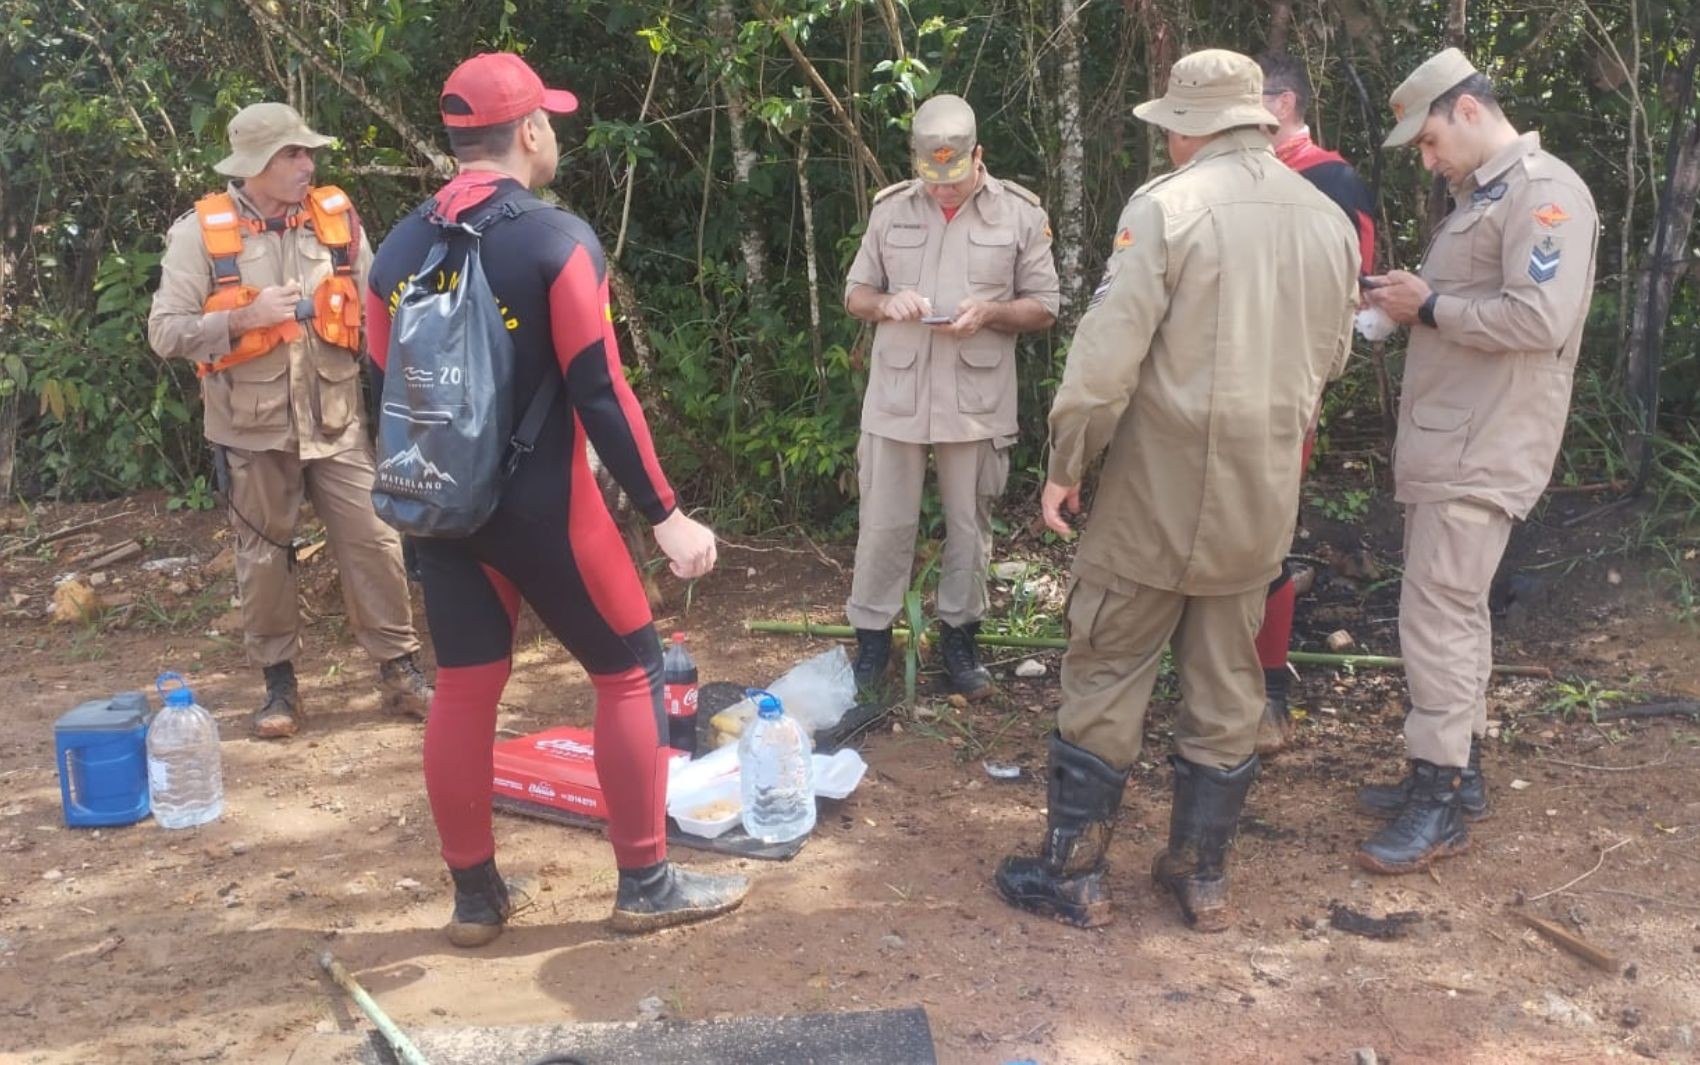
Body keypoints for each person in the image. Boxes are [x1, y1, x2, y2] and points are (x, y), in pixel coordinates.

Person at [366, 52, 748, 946]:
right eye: (553, 122)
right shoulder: (555, 240)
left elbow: (383, 388)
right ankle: (645, 880)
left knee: (463, 687)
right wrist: (667, 513)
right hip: (546, 505)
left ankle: (474, 898)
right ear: (529, 130)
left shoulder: (396, 246)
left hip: (441, 506)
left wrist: (419, 509)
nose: (556, 135)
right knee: (630, 670)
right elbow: (600, 390)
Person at [992, 50, 1358, 932]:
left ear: (1189, 126)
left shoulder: (1168, 209)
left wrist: (1067, 461)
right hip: (1260, 494)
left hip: (1154, 490)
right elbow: (1333, 360)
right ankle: (1201, 876)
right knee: (1229, 680)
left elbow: (1104, 363)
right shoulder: (1326, 217)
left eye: (1168, 130)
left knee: (1109, 661)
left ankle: (1073, 871)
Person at [1357, 49, 1597, 875]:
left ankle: (1439, 798)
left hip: (1484, 442)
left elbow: (1539, 316)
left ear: (1466, 110)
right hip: (1453, 437)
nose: (1427, 160)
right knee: (1454, 610)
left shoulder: (1544, 193)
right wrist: (1406, 302)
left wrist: (1429, 305)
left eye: (1427, 141)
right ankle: (1462, 775)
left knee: (1437, 614)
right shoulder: (1481, 198)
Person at [148, 102, 431, 740]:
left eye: (308, 152)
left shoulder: (336, 221)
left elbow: (382, 307)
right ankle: (279, 686)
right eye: (291, 154)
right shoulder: (199, 233)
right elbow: (164, 332)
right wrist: (241, 320)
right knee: (264, 558)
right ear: (254, 167)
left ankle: (400, 670)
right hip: (251, 430)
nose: (308, 164)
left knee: (374, 540)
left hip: (335, 421)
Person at [842, 93, 1061, 700]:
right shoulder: (890, 212)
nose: (944, 190)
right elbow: (856, 292)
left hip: (976, 400)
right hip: (897, 397)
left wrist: (991, 312)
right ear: (916, 162)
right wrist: (886, 303)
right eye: (932, 179)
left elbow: (1046, 304)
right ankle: (873, 647)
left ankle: (960, 646)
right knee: (884, 525)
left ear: (977, 157)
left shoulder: (1018, 215)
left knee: (969, 526)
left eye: (955, 178)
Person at [1252, 52, 1380, 755]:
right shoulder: (1220, 177)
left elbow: (1354, 289)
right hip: (1202, 388)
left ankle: (1271, 692)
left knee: (1268, 534)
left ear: (1285, 103)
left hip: (1284, 386)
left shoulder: (1332, 178)